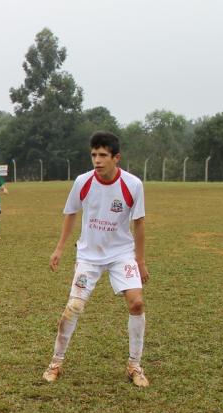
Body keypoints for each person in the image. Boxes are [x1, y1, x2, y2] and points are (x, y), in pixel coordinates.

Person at [44, 131, 150, 387]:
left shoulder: (133, 184)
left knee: (136, 303)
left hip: (121, 254)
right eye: (94, 155)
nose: (97, 160)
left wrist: (140, 260)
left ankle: (134, 365)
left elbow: (139, 224)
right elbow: (70, 214)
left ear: (116, 157)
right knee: (74, 307)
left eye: (103, 155)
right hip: (89, 256)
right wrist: (59, 248)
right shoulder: (83, 182)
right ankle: (56, 362)